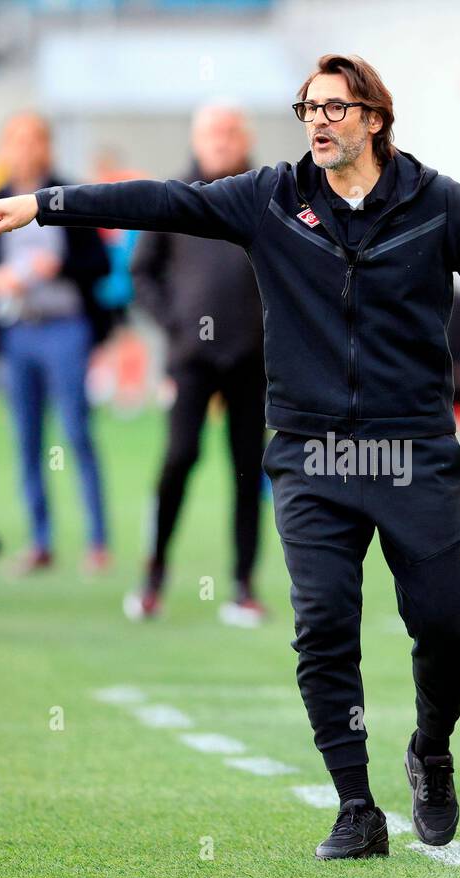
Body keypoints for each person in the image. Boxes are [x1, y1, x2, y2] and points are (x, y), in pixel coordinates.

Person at [0, 53, 460, 859]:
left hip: (414, 450)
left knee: (446, 624)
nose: (317, 120)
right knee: (322, 625)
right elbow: (164, 201)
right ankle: (356, 806)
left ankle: (432, 753)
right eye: (308, 106)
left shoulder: (437, 203)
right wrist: (42, 205)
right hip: (309, 454)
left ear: (374, 119)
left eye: (335, 108)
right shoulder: (270, 197)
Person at [121, 101, 268, 626]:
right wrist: (176, 327)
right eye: (213, 132)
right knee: (179, 459)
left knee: (250, 471)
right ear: (196, 138)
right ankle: (153, 576)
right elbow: (142, 275)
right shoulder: (173, 199)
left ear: (245, 136)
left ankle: (243, 587)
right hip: (192, 358)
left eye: (231, 130)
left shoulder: (267, 197)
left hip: (254, 359)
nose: (223, 139)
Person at [0, 112, 112, 575]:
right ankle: (40, 540)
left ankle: (97, 539)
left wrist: (60, 269)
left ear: (47, 146)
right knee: (26, 439)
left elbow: (98, 264)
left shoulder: (67, 196)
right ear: (3, 147)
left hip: (64, 329)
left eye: (34, 140)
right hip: (16, 332)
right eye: (16, 140)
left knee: (76, 431)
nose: (25, 148)